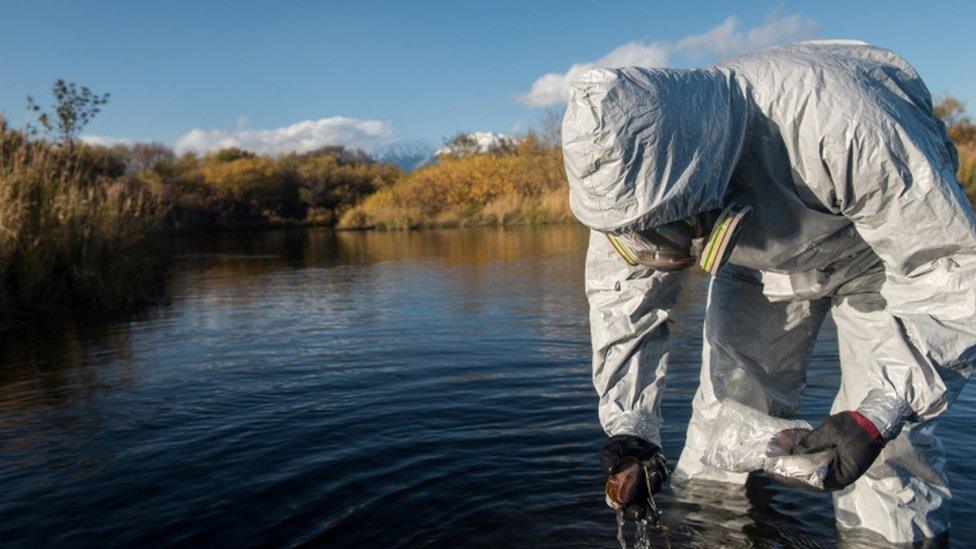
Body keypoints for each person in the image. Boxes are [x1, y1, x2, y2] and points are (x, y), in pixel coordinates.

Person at [563, 40, 976, 544]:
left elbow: (951, 271)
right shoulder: (621, 189)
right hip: (753, 259)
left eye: (670, 230)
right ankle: (719, 533)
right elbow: (624, 303)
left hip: (879, 260)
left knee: (886, 448)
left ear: (699, 175)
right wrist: (632, 427)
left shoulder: (844, 125)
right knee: (725, 423)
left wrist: (880, 414)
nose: (661, 249)